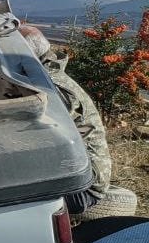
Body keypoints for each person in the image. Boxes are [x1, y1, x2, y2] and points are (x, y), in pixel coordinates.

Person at [18, 23, 115, 219]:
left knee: (4, 191)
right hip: (76, 171)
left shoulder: (52, 89)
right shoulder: (44, 77)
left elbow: (48, 141)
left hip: (84, 186)